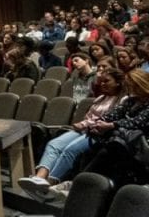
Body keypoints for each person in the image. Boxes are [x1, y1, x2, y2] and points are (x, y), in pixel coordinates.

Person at [18, 67, 125, 199]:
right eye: (101, 81)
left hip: (99, 133)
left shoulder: (121, 100)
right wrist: (84, 123)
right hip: (85, 128)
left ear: (118, 83)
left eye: (107, 81)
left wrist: (84, 124)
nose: (102, 84)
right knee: (54, 143)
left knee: (70, 149)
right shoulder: (101, 97)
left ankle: (49, 183)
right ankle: (39, 178)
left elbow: (107, 118)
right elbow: (90, 114)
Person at [80, 68, 149, 187]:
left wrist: (112, 125)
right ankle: (84, 186)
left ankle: (79, 184)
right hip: (123, 141)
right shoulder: (131, 101)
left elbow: (138, 122)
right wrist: (99, 123)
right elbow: (113, 114)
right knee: (89, 152)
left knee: (106, 152)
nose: (129, 89)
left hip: (141, 145)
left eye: (132, 85)